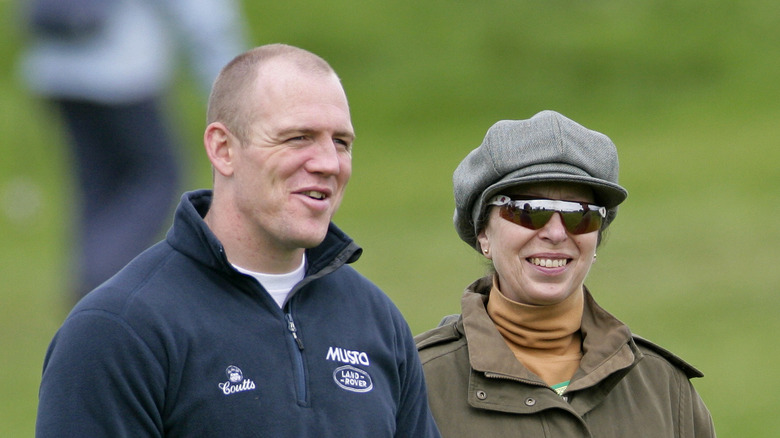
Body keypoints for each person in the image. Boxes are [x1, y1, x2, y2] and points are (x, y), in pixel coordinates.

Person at [35, 44, 441, 438]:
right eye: (297, 137)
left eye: (341, 142)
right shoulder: (117, 331)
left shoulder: (377, 321)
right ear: (223, 148)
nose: (328, 163)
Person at [415, 110, 715, 437]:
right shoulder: (416, 381)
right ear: (484, 234)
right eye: (529, 211)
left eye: (580, 215)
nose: (557, 234)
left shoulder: (663, 387)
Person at [19, 0, 248, 302]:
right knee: (157, 178)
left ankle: (90, 299)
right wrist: (239, 95)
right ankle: (99, 285)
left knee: (97, 187)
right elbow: (199, 12)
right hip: (121, 68)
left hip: (56, 66)